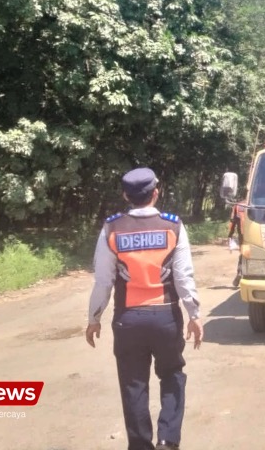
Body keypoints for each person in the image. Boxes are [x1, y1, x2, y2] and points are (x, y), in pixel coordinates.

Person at [86, 167, 203, 450]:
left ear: (126, 196)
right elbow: (183, 276)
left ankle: (140, 445)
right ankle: (167, 440)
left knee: (133, 383)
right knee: (172, 374)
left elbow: (103, 280)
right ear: (156, 193)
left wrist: (94, 318)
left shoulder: (112, 228)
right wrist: (194, 314)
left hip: (128, 320)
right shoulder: (172, 226)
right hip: (166, 317)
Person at [227, 203, 244, 288]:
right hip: (258, 232)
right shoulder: (260, 201)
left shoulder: (238, 206)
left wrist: (230, 235)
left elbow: (232, 222)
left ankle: (240, 273)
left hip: (243, 235)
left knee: (244, 254)